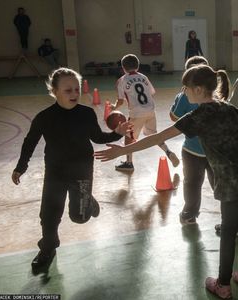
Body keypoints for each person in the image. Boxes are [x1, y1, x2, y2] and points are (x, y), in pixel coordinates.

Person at [95, 64, 238, 299]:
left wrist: (122, 152)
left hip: (230, 182)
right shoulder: (230, 109)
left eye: (186, 88)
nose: (184, 91)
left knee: (230, 231)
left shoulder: (198, 116)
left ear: (199, 90)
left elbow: (158, 138)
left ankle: (223, 285)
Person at [11, 67, 131, 274]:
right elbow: (29, 143)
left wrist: (116, 134)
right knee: (49, 214)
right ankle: (47, 249)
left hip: (82, 171)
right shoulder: (44, 117)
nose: (74, 94)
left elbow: (97, 138)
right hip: (55, 172)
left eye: (76, 89)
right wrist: (21, 166)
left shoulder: (86, 113)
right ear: (54, 91)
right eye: (68, 90)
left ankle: (89, 202)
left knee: (80, 217)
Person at [111, 53, 179, 171]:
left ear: (123, 68)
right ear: (138, 66)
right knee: (153, 136)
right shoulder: (143, 77)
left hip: (136, 113)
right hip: (150, 110)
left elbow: (121, 101)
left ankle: (129, 163)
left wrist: (114, 107)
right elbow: (152, 92)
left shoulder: (121, 80)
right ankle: (168, 152)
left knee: (129, 137)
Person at [170, 56, 217, 225]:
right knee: (217, 185)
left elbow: (174, 116)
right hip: (205, 151)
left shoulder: (183, 96)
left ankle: (189, 214)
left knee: (192, 184)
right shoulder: (217, 101)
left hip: (195, 150)